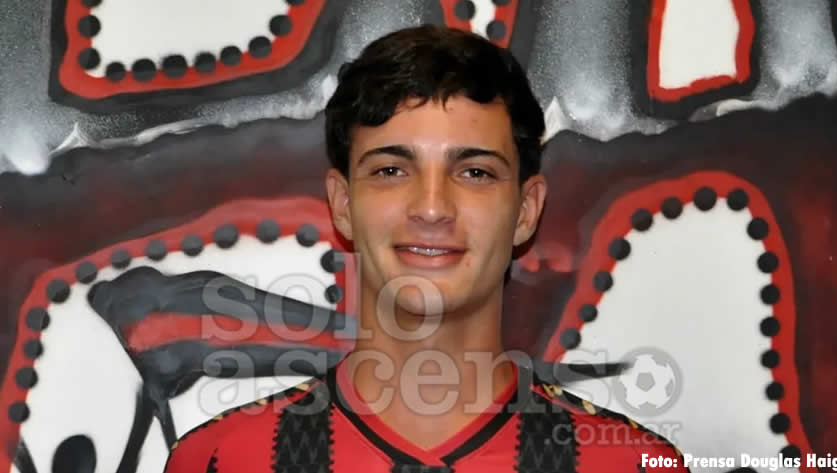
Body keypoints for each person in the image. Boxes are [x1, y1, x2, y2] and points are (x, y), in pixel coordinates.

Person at [164, 24, 689, 473]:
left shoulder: (631, 464)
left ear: (526, 211)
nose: (433, 208)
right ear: (343, 204)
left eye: (475, 172)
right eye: (392, 170)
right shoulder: (219, 461)